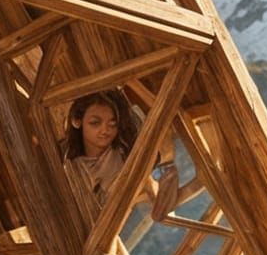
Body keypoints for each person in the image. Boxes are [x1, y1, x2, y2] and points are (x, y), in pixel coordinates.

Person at [60, 88, 179, 222]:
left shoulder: (127, 157)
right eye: (95, 123)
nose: (105, 130)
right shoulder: (67, 163)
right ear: (77, 121)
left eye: (112, 124)